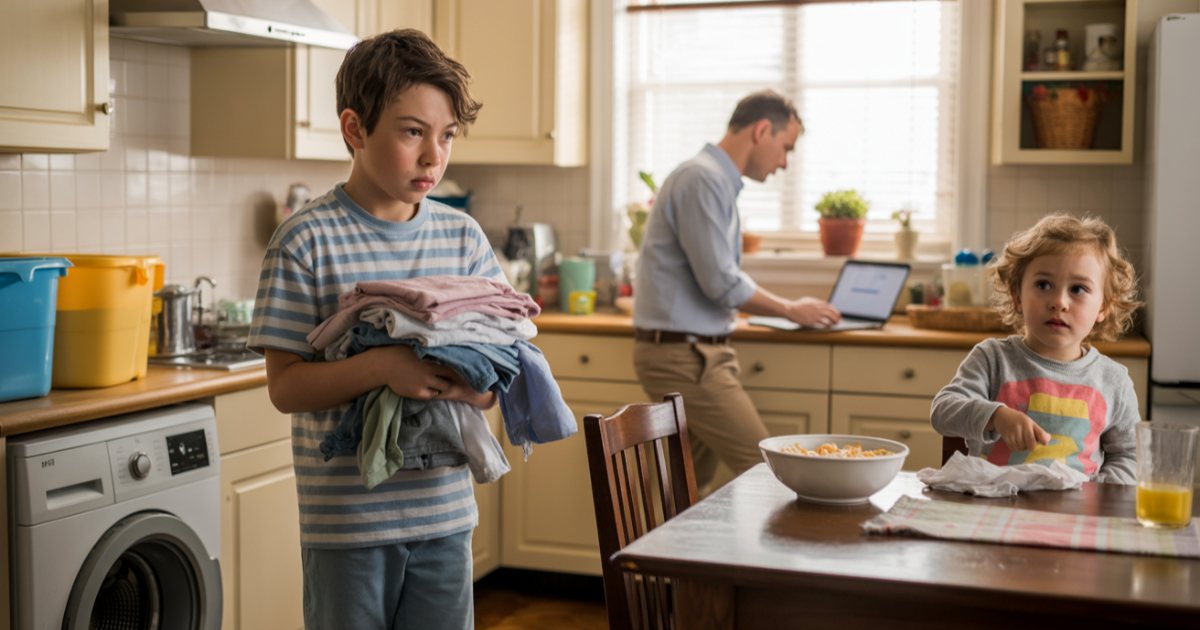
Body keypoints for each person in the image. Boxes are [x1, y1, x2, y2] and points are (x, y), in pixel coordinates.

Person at [246, 29, 496, 630]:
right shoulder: (305, 240)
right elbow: (285, 389)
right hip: (348, 529)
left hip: (444, 519)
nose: (434, 156)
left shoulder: (464, 239)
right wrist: (385, 369)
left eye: (447, 136)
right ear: (355, 130)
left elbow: (494, 383)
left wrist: (465, 384)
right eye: (413, 132)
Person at [632, 90, 842, 493]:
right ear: (762, 130)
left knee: (683, 487)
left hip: (695, 353)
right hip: (686, 358)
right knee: (771, 475)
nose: (784, 163)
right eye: (786, 148)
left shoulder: (712, 180)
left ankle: (655, 555)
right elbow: (720, 281)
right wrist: (790, 309)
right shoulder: (702, 179)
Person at [931, 214, 1142, 483]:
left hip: (1074, 516)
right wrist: (996, 416)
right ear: (1017, 296)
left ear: (1103, 307)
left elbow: (1130, 456)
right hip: (994, 508)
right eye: (1043, 285)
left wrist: (1099, 493)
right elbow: (943, 411)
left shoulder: (1114, 381)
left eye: (1078, 289)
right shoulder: (992, 359)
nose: (1059, 302)